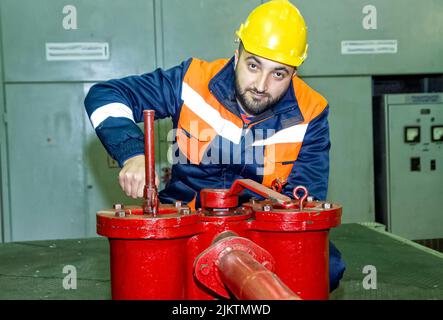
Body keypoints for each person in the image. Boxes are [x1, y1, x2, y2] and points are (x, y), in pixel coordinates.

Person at [85, 0, 345, 291]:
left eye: (278, 74)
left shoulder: (311, 112)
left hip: (259, 231)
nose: (261, 84)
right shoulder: (190, 81)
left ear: (294, 74)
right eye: (253, 65)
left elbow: (304, 202)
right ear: (237, 55)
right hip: (185, 224)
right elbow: (106, 95)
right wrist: (132, 154)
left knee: (326, 267)